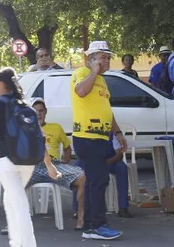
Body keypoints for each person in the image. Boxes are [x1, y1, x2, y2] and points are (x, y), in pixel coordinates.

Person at [0, 68, 61, 247]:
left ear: (1, 83)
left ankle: (29, 243)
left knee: (19, 204)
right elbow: (39, 139)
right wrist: (49, 165)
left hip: (7, 161)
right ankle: (16, 242)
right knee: (11, 199)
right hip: (28, 162)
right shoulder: (26, 106)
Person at [70, 41, 125, 240]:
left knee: (98, 180)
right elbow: (81, 91)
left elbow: (106, 110)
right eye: (103, 57)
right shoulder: (82, 74)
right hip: (87, 136)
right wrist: (93, 71)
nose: (107, 61)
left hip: (101, 137)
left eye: (108, 57)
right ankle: (95, 226)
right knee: (97, 181)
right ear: (91, 59)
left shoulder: (102, 81)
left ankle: (94, 224)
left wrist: (118, 133)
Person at [30, 99, 87, 230]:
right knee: (13, 180)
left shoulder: (55, 127)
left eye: (41, 110)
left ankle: (81, 218)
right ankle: (12, 224)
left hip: (55, 165)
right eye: (35, 111)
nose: (38, 114)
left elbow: (67, 147)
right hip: (34, 166)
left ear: (45, 112)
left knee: (82, 177)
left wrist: (65, 162)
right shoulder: (27, 128)